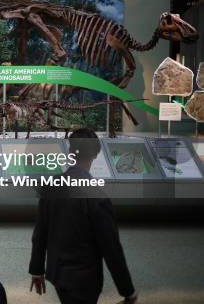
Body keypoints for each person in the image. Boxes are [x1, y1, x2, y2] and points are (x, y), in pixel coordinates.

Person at [29, 128, 137, 304]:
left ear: (70, 152)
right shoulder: (97, 195)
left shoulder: (51, 186)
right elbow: (111, 248)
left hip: (57, 274)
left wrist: (36, 269)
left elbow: (40, 232)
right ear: (96, 154)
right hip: (84, 279)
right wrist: (128, 290)